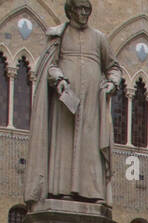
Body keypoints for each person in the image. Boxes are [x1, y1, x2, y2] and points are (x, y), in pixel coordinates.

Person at [24, 0, 121, 204]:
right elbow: (49, 66)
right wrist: (58, 79)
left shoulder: (99, 38)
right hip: (65, 103)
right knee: (64, 143)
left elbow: (113, 67)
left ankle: (93, 193)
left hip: (92, 104)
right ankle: (60, 190)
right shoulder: (59, 36)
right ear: (70, 11)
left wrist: (112, 83)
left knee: (90, 146)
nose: (84, 13)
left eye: (87, 9)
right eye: (79, 9)